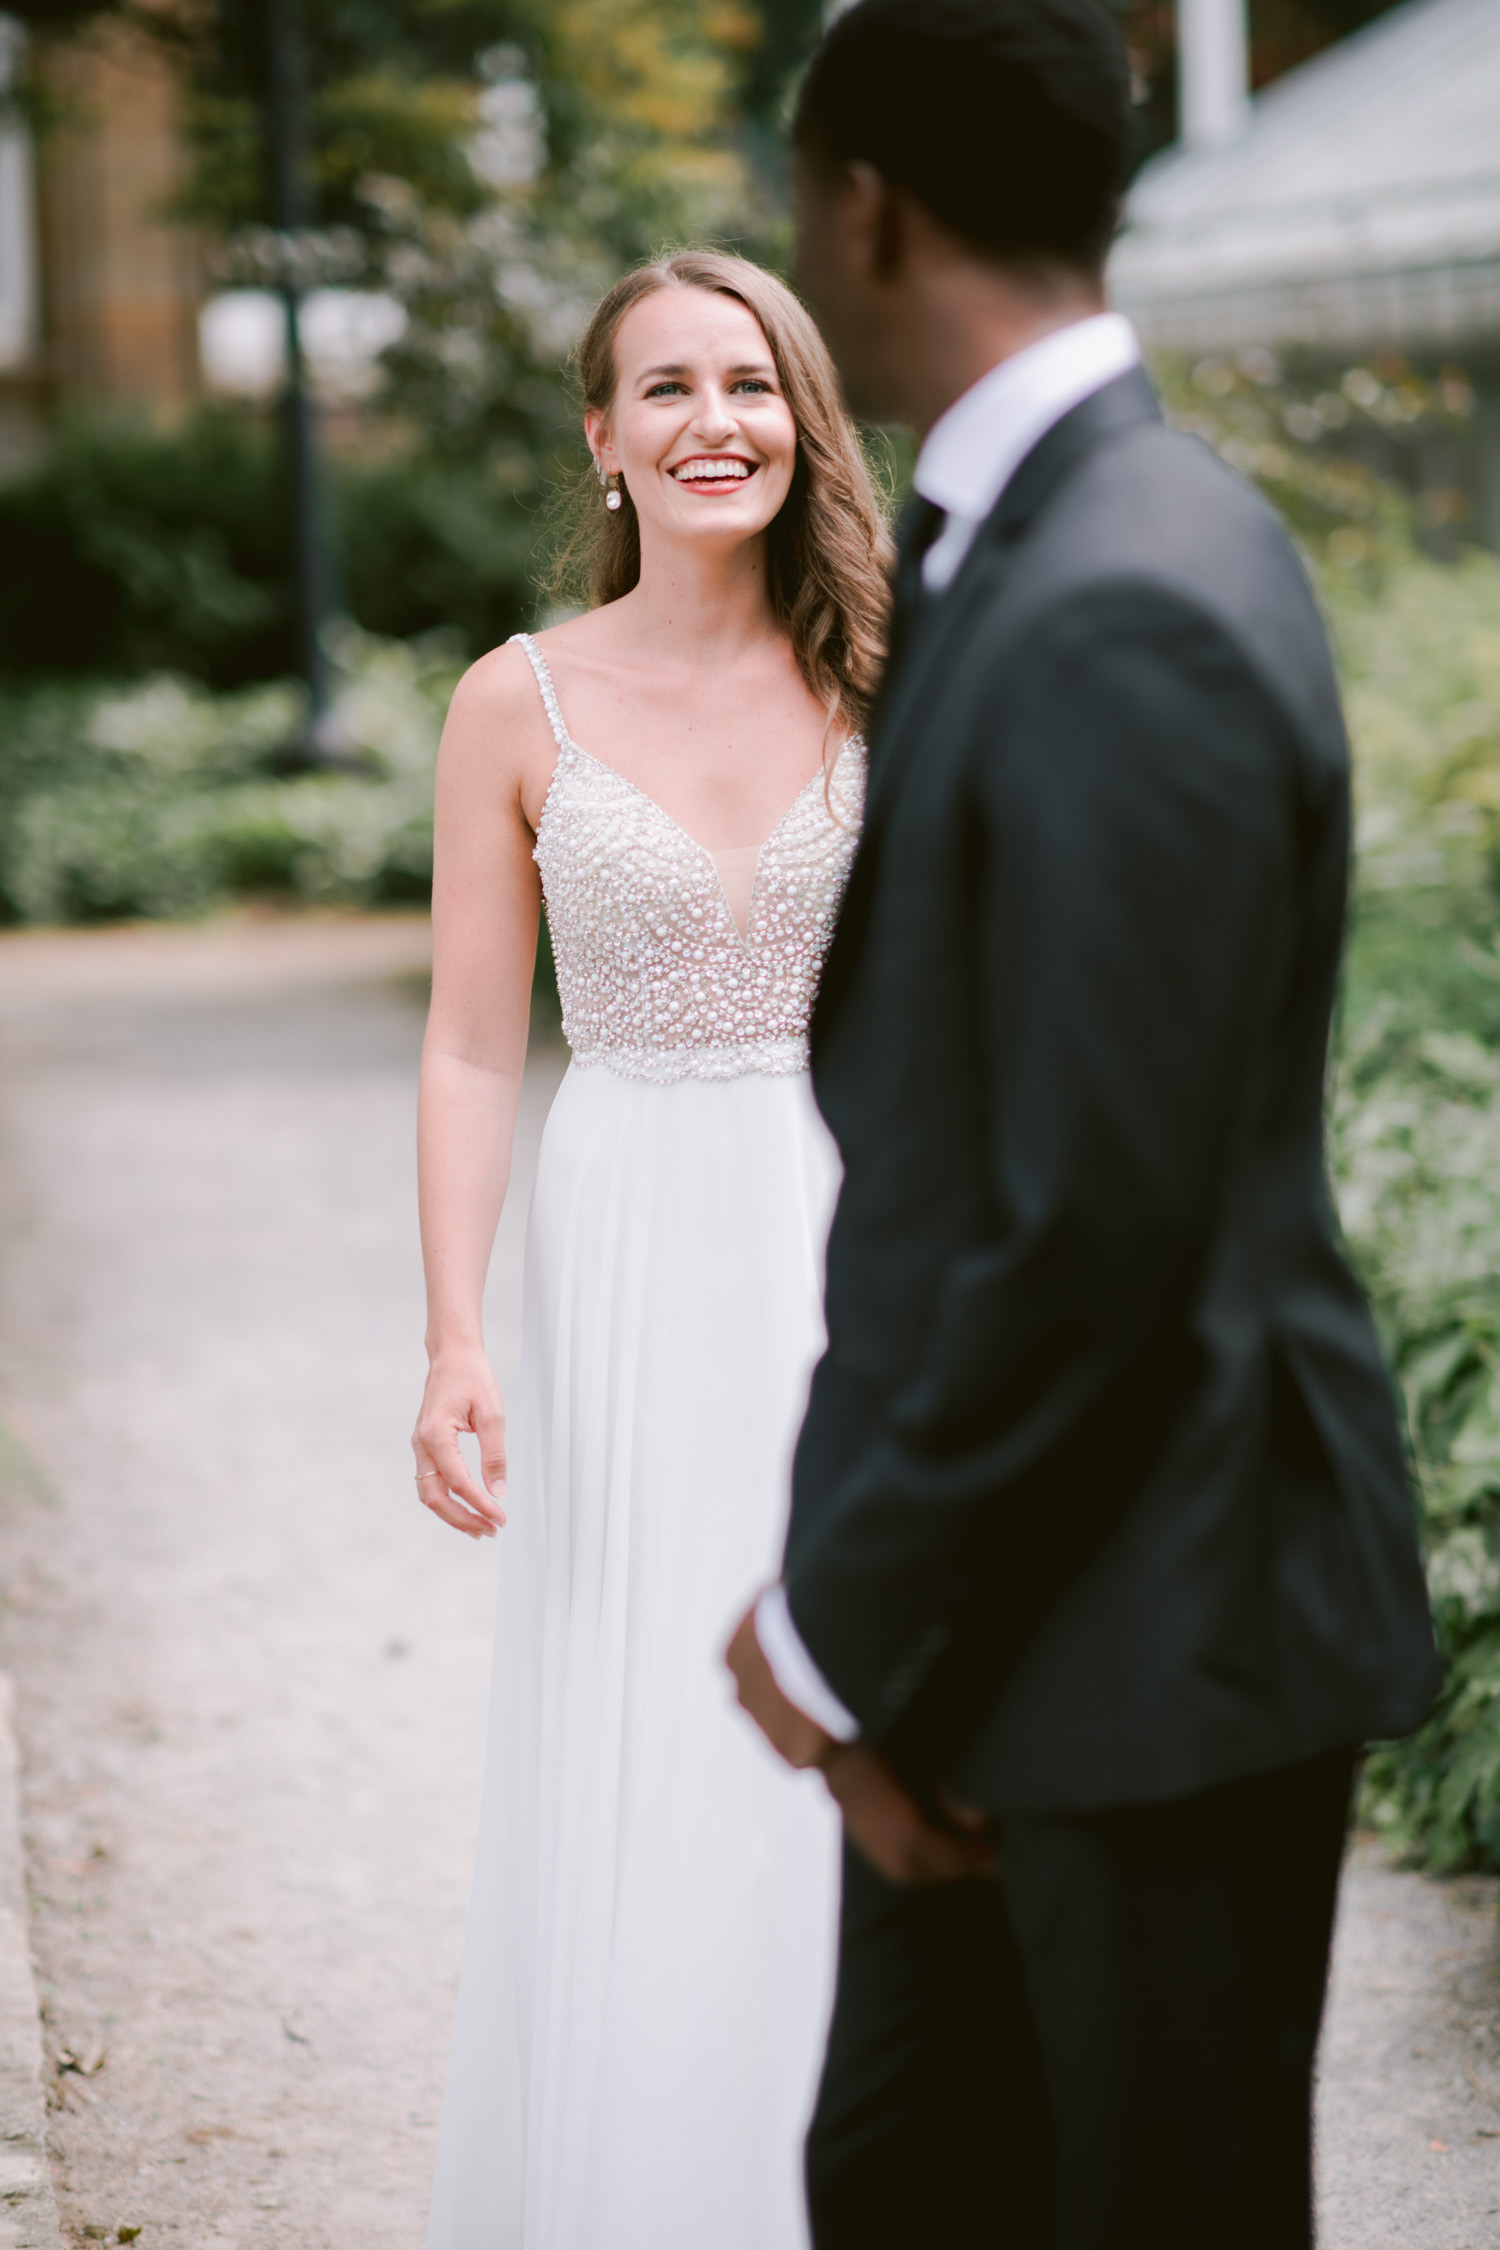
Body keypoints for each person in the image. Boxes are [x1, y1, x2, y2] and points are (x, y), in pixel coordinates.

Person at [727, 5, 1441, 2246]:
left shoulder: (1128, 589)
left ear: (868, 205)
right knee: (911, 2185)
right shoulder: (1024, 536)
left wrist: (842, 1627)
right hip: (1021, 1606)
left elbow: (1094, 1224)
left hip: (1158, 1624)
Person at [411, 249, 890, 2250]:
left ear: (804, 420)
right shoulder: (511, 703)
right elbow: (462, 1039)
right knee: (647, 1700)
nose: (718, 421)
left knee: (851, 1677)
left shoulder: (894, 671)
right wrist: (453, 1341)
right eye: (669, 388)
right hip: (622, 1236)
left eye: (754, 382)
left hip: (850, 1221)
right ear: (602, 439)